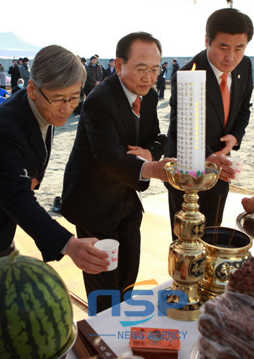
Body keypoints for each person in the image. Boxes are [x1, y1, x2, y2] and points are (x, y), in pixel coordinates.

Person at [0, 45, 109, 275]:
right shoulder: (4, 129)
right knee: (6, 272)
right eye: (58, 99)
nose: (67, 109)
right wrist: (69, 244)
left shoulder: (43, 105)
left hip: (2, 200)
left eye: (75, 98)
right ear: (32, 89)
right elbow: (16, 198)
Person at [61, 32, 170, 312]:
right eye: (141, 68)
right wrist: (152, 169)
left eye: (155, 69)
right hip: (93, 202)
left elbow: (157, 136)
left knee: (128, 279)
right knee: (105, 291)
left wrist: (149, 153)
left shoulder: (150, 95)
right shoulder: (100, 99)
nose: (149, 77)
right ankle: (104, 343)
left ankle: (122, 331)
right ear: (119, 64)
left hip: (126, 199)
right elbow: (108, 158)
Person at [165, 8, 254, 240]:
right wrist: (208, 157)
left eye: (239, 48)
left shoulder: (244, 67)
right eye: (223, 47)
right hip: (187, 167)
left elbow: (244, 107)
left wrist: (235, 135)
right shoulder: (187, 74)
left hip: (220, 168)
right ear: (207, 41)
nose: (231, 57)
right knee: (186, 237)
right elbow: (179, 127)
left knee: (213, 231)